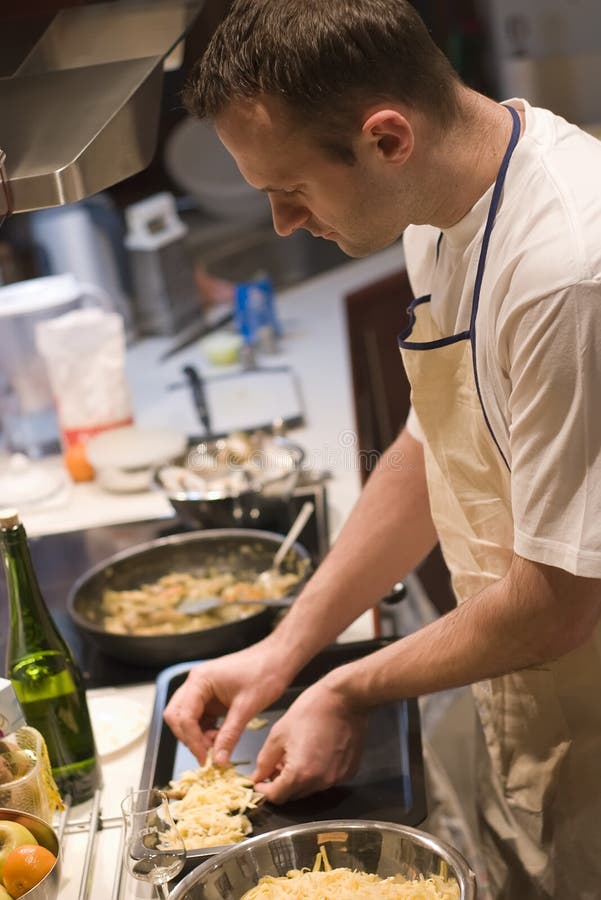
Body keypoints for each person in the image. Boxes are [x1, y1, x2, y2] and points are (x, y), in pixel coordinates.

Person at [163, 1, 601, 896]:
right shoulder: (439, 211)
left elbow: (555, 604)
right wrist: (288, 652)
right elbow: (430, 443)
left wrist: (347, 687)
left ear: (386, 139)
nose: (283, 222)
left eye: (291, 188)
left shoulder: (565, 271)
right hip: (527, 684)